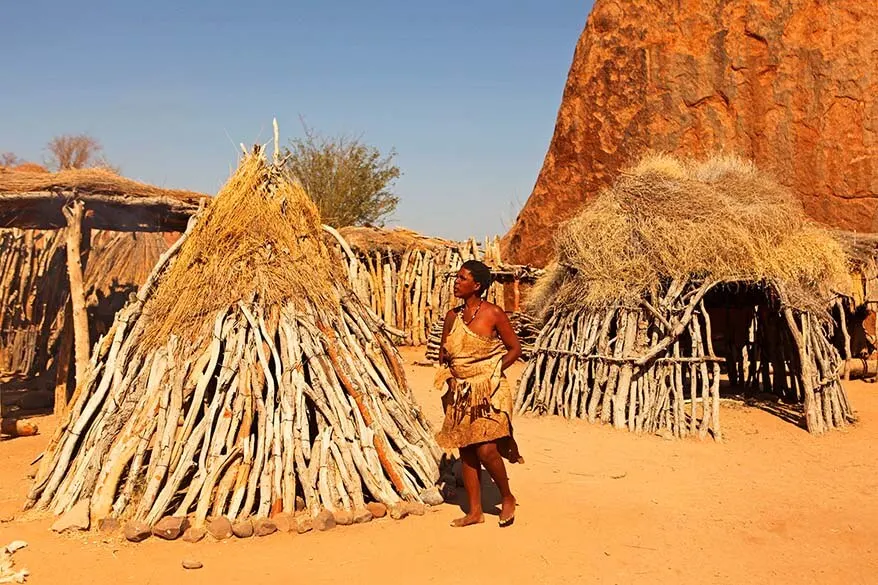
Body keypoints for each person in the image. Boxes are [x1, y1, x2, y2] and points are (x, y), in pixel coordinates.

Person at [435, 260, 524, 528]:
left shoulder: (494, 313)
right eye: (457, 277)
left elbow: (514, 349)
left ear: (477, 285)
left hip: (490, 390)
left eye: (462, 278)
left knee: (486, 449)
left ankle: (507, 497)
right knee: (467, 451)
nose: (456, 282)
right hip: (460, 393)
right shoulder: (452, 316)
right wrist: (450, 372)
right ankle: (475, 512)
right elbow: (444, 351)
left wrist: (492, 372)